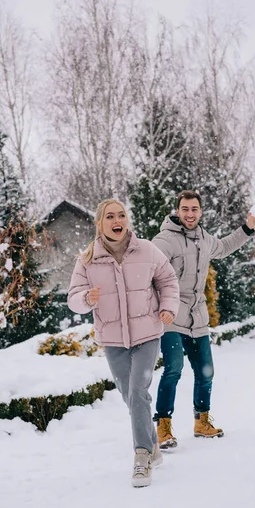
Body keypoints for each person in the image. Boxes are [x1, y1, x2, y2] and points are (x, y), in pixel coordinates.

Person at [68, 199, 179, 488]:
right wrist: (85, 299)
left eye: (121, 215)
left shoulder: (146, 250)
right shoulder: (87, 259)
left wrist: (168, 307)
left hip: (147, 333)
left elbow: (168, 280)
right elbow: (73, 298)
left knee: (139, 389)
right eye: (110, 216)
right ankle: (153, 444)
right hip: (113, 339)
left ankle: (141, 455)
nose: (117, 220)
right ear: (99, 223)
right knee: (131, 396)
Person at [152, 190, 255, 448]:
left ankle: (201, 422)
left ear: (201, 212)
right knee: (173, 370)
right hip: (171, 317)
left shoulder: (204, 238)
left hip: (198, 318)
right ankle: (163, 427)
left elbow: (224, 247)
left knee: (205, 373)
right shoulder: (164, 240)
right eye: (185, 209)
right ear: (177, 211)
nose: (190, 214)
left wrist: (248, 228)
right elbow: (149, 271)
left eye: (194, 209)